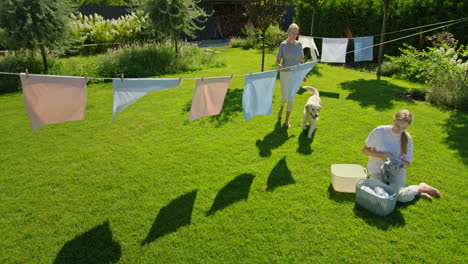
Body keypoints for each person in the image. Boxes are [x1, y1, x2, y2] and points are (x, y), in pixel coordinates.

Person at [362, 109, 441, 202]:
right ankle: (415, 192)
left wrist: (394, 160)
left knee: (398, 197)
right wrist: (384, 155)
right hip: (377, 171)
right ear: (394, 119)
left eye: (403, 128)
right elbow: (365, 150)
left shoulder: (407, 139)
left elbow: (407, 164)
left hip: (396, 173)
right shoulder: (379, 131)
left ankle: (420, 187)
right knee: (380, 194)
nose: (399, 130)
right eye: (397, 125)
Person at [276, 23, 305, 128]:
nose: (294, 35)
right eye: (293, 33)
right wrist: (278, 65)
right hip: (284, 73)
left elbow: (301, 61)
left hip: (295, 75)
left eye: (296, 33)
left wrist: (303, 74)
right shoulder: (283, 45)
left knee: (291, 98)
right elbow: (278, 60)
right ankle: (281, 107)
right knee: (284, 97)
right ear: (288, 32)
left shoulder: (299, 45)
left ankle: (286, 120)